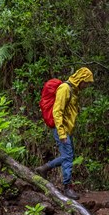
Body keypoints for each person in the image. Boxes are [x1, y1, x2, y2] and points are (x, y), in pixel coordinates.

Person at [36, 67, 94, 200]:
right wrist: (62, 134)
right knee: (68, 157)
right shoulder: (65, 89)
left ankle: (44, 168)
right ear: (81, 79)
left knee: (68, 156)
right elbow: (57, 112)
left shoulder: (74, 90)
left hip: (67, 129)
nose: (86, 86)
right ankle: (67, 187)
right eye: (86, 82)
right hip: (61, 129)